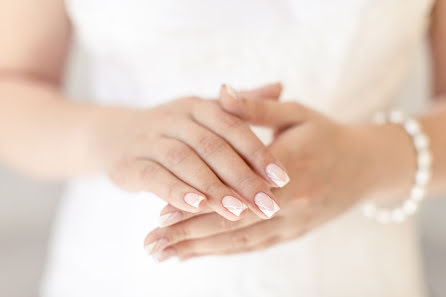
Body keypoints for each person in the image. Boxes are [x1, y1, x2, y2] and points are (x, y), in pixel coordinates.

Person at [0, 0, 445, 296]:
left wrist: (370, 159)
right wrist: (117, 137)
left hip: (357, 274)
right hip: (123, 272)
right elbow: (12, 84)